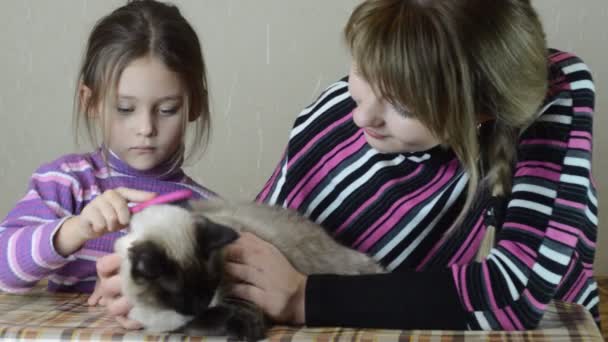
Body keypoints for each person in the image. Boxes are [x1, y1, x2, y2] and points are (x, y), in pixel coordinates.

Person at [94, 0, 599, 331]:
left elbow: (513, 292)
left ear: (480, 111)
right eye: (361, 71)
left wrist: (306, 298)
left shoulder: (552, 90)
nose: (360, 114)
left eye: (402, 104)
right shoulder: (340, 111)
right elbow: (265, 239)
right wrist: (150, 289)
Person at [0, 0, 214, 329]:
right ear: (92, 103)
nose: (146, 128)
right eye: (125, 109)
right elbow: (3, 270)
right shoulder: (64, 183)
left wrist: (144, 290)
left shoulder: (203, 209)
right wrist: (74, 230)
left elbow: (215, 296)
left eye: (167, 109)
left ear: (194, 105)